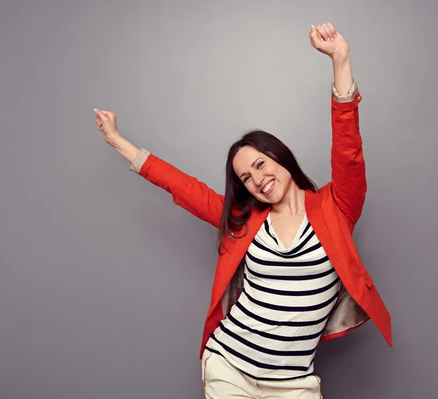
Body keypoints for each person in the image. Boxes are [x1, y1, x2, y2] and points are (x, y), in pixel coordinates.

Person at [93, 22, 391, 399]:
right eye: (246, 178)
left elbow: (348, 152)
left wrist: (340, 62)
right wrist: (119, 142)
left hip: (294, 383)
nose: (257, 179)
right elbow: (184, 187)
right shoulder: (244, 222)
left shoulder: (336, 207)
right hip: (229, 367)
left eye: (261, 164)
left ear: (280, 157)